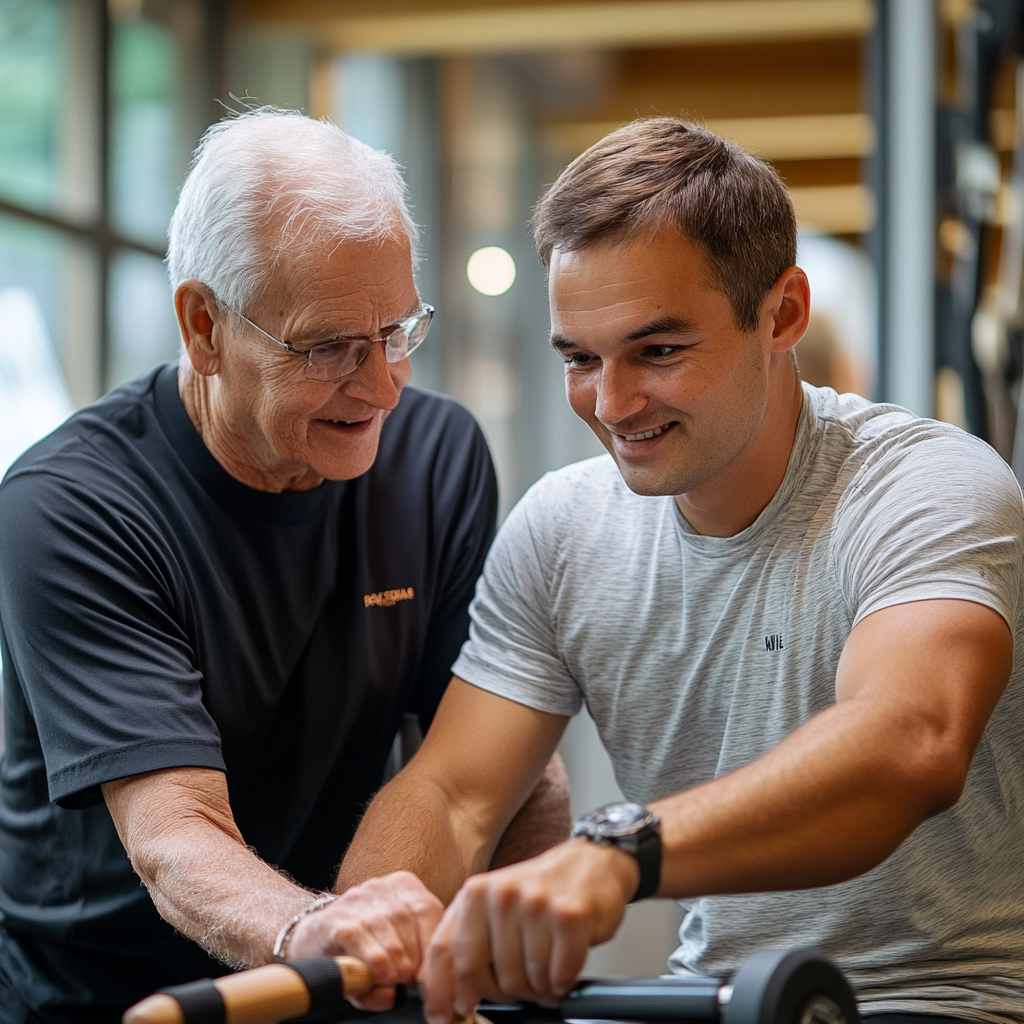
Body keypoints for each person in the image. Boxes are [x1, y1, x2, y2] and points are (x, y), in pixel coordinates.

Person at [338, 119, 1024, 1024]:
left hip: (947, 999)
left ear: (782, 314)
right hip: (712, 997)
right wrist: (362, 922)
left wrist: (618, 851)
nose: (612, 405)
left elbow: (908, 742)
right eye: (581, 359)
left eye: (658, 351)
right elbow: (455, 791)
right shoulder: (565, 526)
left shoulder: (927, 484)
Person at [0, 108, 567, 1023]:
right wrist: (318, 932)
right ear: (203, 329)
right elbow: (174, 837)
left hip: (335, 969)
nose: (383, 385)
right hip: (110, 995)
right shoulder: (68, 508)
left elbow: (498, 760)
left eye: (397, 332)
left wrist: (532, 976)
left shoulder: (435, 457)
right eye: (331, 348)